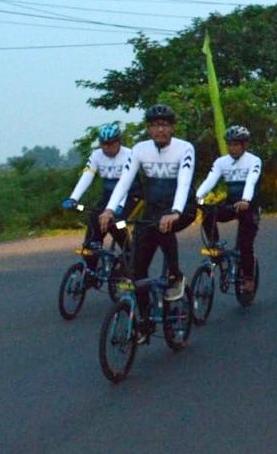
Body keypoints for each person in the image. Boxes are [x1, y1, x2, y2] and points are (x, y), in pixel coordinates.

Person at [99, 104, 197, 340]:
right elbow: (125, 180)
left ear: (172, 127)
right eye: (154, 125)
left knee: (165, 228)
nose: (159, 130)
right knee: (137, 271)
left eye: (164, 125)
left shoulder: (185, 148)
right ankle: (143, 322)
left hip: (181, 207)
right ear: (149, 129)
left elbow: (184, 181)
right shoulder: (140, 149)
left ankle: (175, 275)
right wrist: (109, 209)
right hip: (153, 210)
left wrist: (175, 211)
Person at [194, 125, 263, 292]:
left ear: (244, 145)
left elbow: (251, 181)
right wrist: (197, 197)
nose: (232, 148)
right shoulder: (221, 162)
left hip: (249, 206)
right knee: (209, 213)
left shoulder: (254, 161)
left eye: (236, 144)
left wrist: (246, 199)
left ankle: (248, 278)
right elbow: (211, 180)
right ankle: (215, 244)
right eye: (230, 144)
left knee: (245, 245)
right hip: (232, 203)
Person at [62, 123, 137, 271]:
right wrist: (73, 198)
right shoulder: (96, 155)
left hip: (130, 195)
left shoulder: (130, 155)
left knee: (117, 223)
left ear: (119, 142)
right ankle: (90, 267)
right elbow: (87, 176)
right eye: (103, 144)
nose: (106, 148)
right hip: (108, 194)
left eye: (110, 144)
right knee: (94, 218)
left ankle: (129, 252)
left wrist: (118, 207)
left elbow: (125, 185)